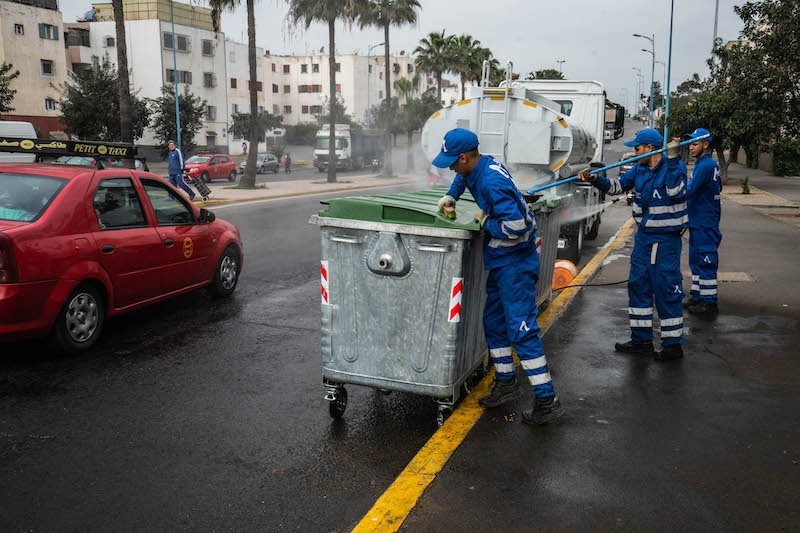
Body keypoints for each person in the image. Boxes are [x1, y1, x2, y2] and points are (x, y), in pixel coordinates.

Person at [434, 128, 564, 425]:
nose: (451, 167)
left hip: (515, 264)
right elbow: (464, 177)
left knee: (522, 330)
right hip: (502, 261)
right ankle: (506, 381)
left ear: (465, 157)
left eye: (453, 162)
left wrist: (485, 222)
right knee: (493, 321)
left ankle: (547, 399)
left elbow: (518, 225)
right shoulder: (482, 164)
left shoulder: (491, 181)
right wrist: (450, 195)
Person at [579, 128, 687, 361]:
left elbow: (675, 192)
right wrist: (595, 179)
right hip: (644, 237)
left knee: (666, 288)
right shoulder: (639, 169)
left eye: (637, 149)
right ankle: (641, 340)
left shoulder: (674, 167)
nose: (634, 153)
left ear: (649, 148)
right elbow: (617, 187)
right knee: (638, 286)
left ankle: (672, 345)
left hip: (665, 239)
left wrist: (673, 159)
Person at [682, 128, 722, 316]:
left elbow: (689, 191)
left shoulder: (705, 166)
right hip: (699, 221)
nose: (691, 147)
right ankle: (698, 296)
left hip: (704, 222)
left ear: (705, 145)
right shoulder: (707, 164)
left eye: (695, 143)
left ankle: (709, 302)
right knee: (696, 261)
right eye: (690, 143)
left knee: (705, 261)